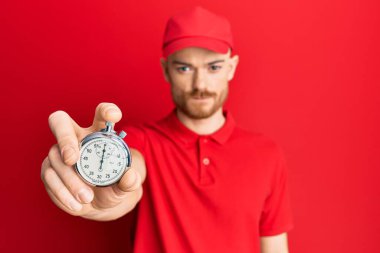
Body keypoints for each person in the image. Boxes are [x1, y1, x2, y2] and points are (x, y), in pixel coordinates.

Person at [41, 6, 294, 253]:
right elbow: (130, 176)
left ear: (231, 67)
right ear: (166, 70)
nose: (200, 84)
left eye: (213, 67)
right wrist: (103, 195)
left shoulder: (267, 154)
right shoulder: (142, 142)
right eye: (184, 68)